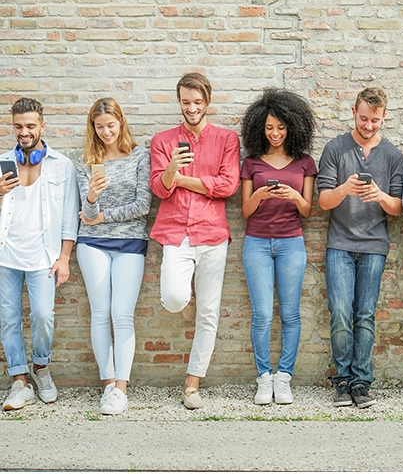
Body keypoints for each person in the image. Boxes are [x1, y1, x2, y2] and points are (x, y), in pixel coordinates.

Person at [150, 73, 240, 409]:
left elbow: (227, 186)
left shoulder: (227, 139)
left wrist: (180, 180)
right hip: (176, 231)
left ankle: (192, 383)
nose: (192, 108)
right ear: (179, 102)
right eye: (186, 102)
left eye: (198, 102)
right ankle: (187, 299)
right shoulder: (162, 141)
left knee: (210, 312)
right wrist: (172, 169)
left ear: (207, 103)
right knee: (173, 298)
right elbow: (160, 189)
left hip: (213, 234)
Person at [317, 87, 403, 409]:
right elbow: (323, 201)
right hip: (339, 243)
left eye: (375, 120)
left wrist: (380, 195)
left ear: (385, 117)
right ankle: (341, 380)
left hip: (374, 245)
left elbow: (398, 208)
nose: (368, 126)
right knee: (340, 313)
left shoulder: (393, 155)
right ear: (353, 112)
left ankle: (361, 381)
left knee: (365, 314)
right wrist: (344, 188)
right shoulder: (335, 148)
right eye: (364, 118)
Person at [0, 98, 79, 411]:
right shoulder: (4, 162)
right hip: (6, 253)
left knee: (43, 316)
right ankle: (19, 380)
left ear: (42, 126)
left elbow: (70, 216)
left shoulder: (61, 165)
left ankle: (41, 368)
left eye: (30, 125)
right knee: (8, 319)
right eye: (18, 125)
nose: (24, 131)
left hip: (44, 256)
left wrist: (64, 257)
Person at [75, 98, 152, 415]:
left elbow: (142, 206)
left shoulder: (139, 156)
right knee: (100, 311)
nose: (105, 131)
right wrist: (92, 195)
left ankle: (121, 387)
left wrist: (102, 216)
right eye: (99, 126)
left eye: (110, 124)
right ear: (92, 128)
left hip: (130, 243)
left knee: (122, 314)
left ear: (121, 122)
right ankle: (108, 384)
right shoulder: (84, 161)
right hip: (91, 244)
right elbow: (85, 213)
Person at [240, 89, 316, 405]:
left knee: (289, 314)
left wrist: (293, 196)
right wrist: (259, 196)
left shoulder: (305, 163)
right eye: (269, 127)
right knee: (260, 315)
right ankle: (264, 378)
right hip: (257, 243)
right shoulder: (251, 163)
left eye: (281, 127)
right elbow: (245, 211)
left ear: (293, 127)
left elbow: (308, 210)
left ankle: (283, 377)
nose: (274, 133)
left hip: (291, 243)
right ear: (260, 127)